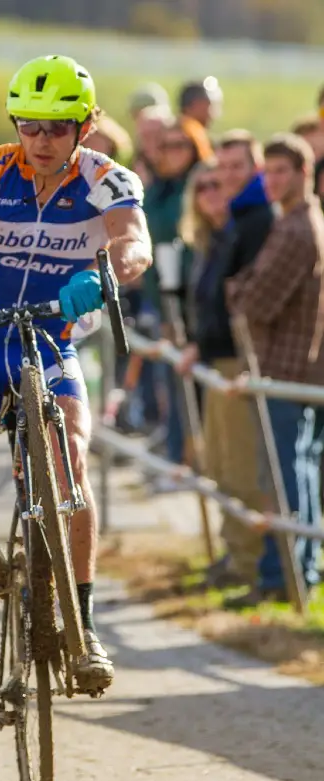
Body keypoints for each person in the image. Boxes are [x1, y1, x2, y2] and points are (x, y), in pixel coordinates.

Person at [0, 55, 152, 691]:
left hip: (50, 339)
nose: (41, 140)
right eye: (29, 125)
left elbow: (134, 244)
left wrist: (100, 277)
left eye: (58, 127)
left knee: (70, 452)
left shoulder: (107, 178)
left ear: (87, 125)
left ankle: (85, 624)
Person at [226, 134, 324, 606]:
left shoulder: (296, 229)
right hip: (293, 370)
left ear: (304, 173)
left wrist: (236, 291)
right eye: (269, 172)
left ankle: (282, 575)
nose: (273, 180)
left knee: (284, 475)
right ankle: (296, 571)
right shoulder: (299, 222)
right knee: (297, 469)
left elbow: (255, 302)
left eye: (282, 171)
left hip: (283, 368)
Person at [177, 160, 265, 587]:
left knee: (242, 466)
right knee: (221, 466)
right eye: (203, 187)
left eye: (219, 184)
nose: (212, 193)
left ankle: (248, 563)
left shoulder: (243, 233)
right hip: (214, 361)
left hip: (235, 362)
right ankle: (235, 556)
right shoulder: (210, 241)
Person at [143, 118, 210, 475]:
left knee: (198, 387)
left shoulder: (201, 184)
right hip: (164, 293)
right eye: (165, 145)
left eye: (179, 145)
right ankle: (176, 461)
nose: (170, 153)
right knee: (171, 381)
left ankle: (193, 464)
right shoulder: (157, 189)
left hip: (195, 295)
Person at [178, 77, 222, 161]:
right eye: (209, 104)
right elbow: (207, 163)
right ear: (196, 104)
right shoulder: (193, 130)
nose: (213, 112)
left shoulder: (178, 126)